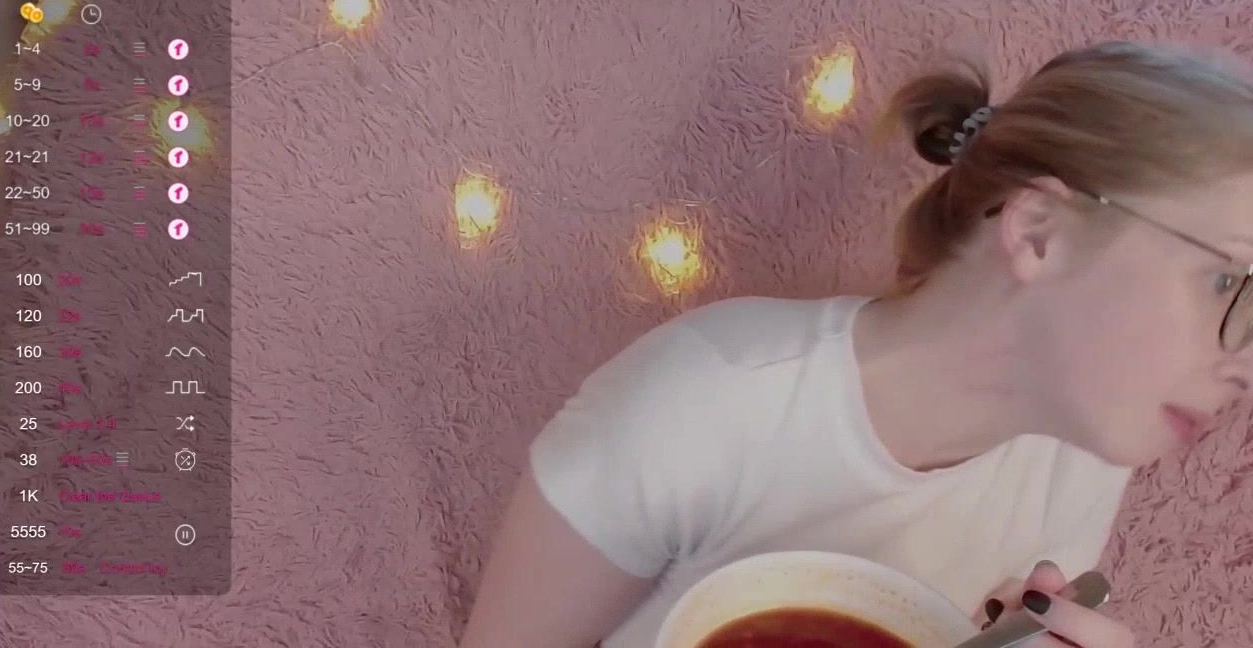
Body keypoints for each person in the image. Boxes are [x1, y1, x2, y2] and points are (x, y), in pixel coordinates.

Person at [458, 40, 1253, 648]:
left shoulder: (1083, 457)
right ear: (1041, 231)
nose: (1247, 364)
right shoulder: (699, 405)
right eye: (1228, 282)